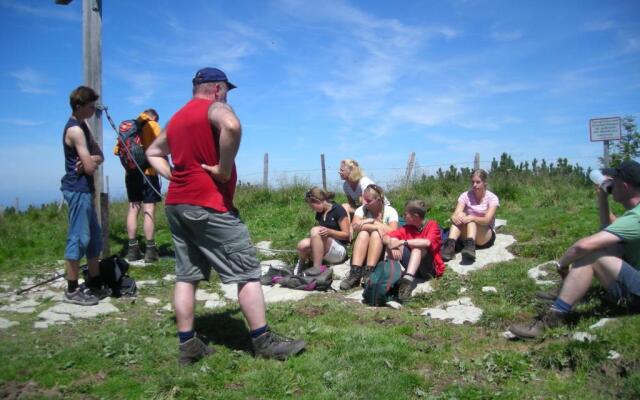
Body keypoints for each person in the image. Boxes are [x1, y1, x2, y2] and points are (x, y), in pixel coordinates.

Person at [146, 67, 305, 365]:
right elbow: (231, 126)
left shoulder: (176, 118)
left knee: (186, 276)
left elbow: (153, 151)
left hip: (176, 205)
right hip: (210, 205)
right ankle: (264, 342)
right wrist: (223, 168)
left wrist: (174, 176)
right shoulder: (216, 108)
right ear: (217, 88)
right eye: (226, 90)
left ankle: (188, 345)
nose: (228, 95)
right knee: (246, 273)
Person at [509, 161, 640, 339]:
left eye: (614, 182)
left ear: (624, 187)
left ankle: (552, 319)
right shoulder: (634, 214)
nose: (609, 185)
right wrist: (602, 198)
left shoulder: (637, 217)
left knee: (591, 255)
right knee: (604, 249)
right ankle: (564, 293)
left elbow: (583, 246)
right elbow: (608, 235)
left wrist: (562, 264)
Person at [60, 86, 106, 306]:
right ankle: (71, 289)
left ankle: (94, 282)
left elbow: (99, 157)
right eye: (90, 106)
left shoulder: (84, 125)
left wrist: (92, 160)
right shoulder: (75, 130)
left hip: (86, 189)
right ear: (79, 106)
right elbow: (87, 167)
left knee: (93, 238)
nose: (93, 110)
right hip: (77, 189)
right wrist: (90, 162)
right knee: (78, 238)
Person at [114, 109, 162, 263]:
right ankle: (150, 250)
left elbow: (117, 150)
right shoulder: (153, 125)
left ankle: (133, 249)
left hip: (131, 173)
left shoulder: (129, 127)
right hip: (149, 171)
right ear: (154, 116)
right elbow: (161, 146)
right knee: (149, 209)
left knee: (133, 208)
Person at [381, 200, 446, 302]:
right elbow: (386, 237)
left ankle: (406, 283)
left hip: (429, 269)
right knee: (394, 240)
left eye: (405, 214)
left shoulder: (432, 225)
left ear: (415, 216)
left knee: (417, 248)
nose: (403, 216)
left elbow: (427, 242)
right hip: (413, 267)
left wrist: (403, 242)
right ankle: (392, 277)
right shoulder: (406, 228)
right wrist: (391, 244)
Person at [340, 184, 399, 290]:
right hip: (362, 247)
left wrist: (371, 221)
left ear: (379, 199)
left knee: (375, 234)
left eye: (369, 200)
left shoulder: (390, 211)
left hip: (382, 250)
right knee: (364, 233)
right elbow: (355, 226)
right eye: (364, 199)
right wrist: (376, 227)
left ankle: (369, 273)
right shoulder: (361, 210)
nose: (365, 203)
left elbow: (394, 231)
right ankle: (355, 274)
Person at [441, 169, 499, 262]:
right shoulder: (465, 195)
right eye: (473, 182)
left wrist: (472, 217)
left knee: (471, 219)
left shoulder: (492, 198)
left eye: (478, 182)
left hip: (484, 235)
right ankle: (450, 247)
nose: (474, 185)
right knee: (460, 214)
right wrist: (455, 217)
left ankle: (470, 247)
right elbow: (454, 214)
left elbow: (487, 220)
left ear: (484, 183)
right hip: (467, 233)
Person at [296, 187, 350, 271]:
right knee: (302, 245)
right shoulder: (320, 213)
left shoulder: (338, 210)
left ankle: (316, 269)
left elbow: (347, 235)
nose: (312, 209)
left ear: (318, 201)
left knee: (316, 230)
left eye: (312, 206)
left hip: (339, 250)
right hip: (327, 248)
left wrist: (330, 232)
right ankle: (302, 265)